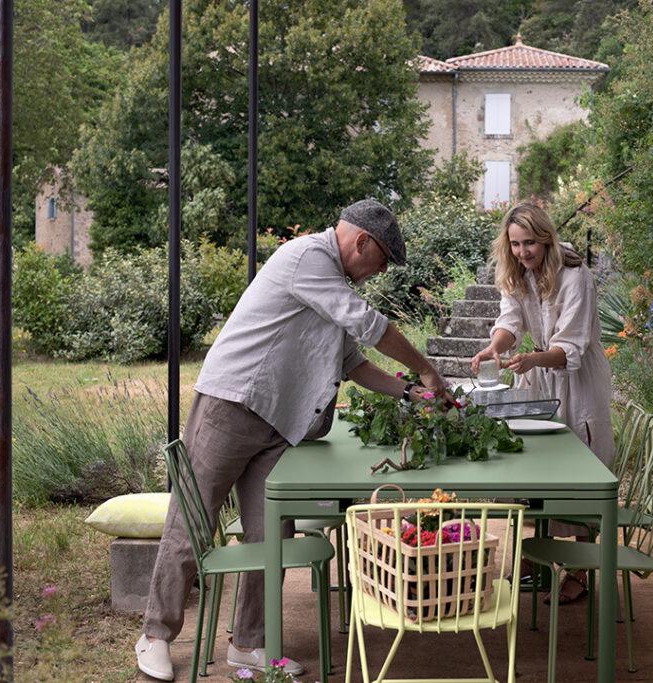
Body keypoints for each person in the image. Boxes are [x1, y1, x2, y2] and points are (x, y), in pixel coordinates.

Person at [135, 199, 448, 681]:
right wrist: (424, 368)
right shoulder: (308, 259)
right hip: (233, 403)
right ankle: (156, 635)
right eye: (381, 261)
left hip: (279, 424)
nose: (379, 271)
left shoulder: (331, 283)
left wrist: (410, 392)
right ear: (361, 241)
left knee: (271, 536)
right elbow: (369, 324)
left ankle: (248, 643)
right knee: (193, 521)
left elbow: (354, 364)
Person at [469, 202, 613, 605]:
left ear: (546, 238)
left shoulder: (574, 274)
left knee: (580, 468)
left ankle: (581, 568)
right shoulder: (516, 272)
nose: (522, 252)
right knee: (536, 466)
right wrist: (493, 348)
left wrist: (534, 358)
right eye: (515, 244)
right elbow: (510, 321)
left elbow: (572, 347)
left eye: (529, 242)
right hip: (537, 376)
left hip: (576, 379)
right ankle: (538, 551)